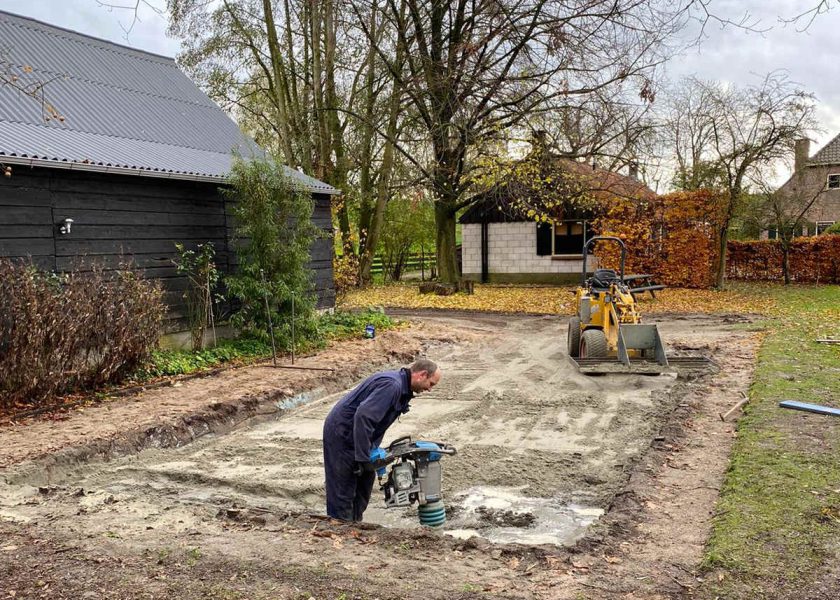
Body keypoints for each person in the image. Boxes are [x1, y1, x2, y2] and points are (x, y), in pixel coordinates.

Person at [322, 358, 441, 521]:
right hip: (343, 434)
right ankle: (339, 530)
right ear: (422, 375)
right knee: (344, 488)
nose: (430, 389)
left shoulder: (402, 387)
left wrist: (368, 454)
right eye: (431, 384)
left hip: (361, 437)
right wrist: (363, 458)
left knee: (363, 487)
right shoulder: (392, 386)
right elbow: (364, 416)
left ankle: (354, 526)